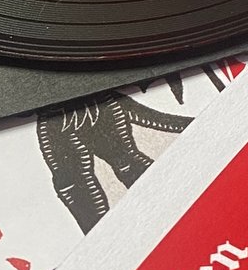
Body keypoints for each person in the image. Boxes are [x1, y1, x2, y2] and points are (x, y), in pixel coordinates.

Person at [35, 89, 191, 234]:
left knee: (126, 163)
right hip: (58, 114)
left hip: (94, 103)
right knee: (72, 183)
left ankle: (176, 205)